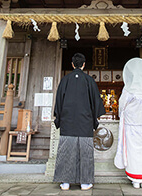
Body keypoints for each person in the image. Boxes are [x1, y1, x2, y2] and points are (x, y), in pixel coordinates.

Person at [53, 53, 105, 191]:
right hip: (85, 124)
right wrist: (94, 120)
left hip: (67, 123)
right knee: (86, 154)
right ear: (83, 64)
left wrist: (59, 119)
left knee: (66, 152)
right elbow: (96, 103)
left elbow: (59, 101)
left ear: (72, 64)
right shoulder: (89, 80)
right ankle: (85, 183)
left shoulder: (65, 80)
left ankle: (65, 183)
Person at [114, 57, 142, 189]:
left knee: (132, 150)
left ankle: (135, 178)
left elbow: (122, 107)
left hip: (131, 126)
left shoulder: (128, 91)